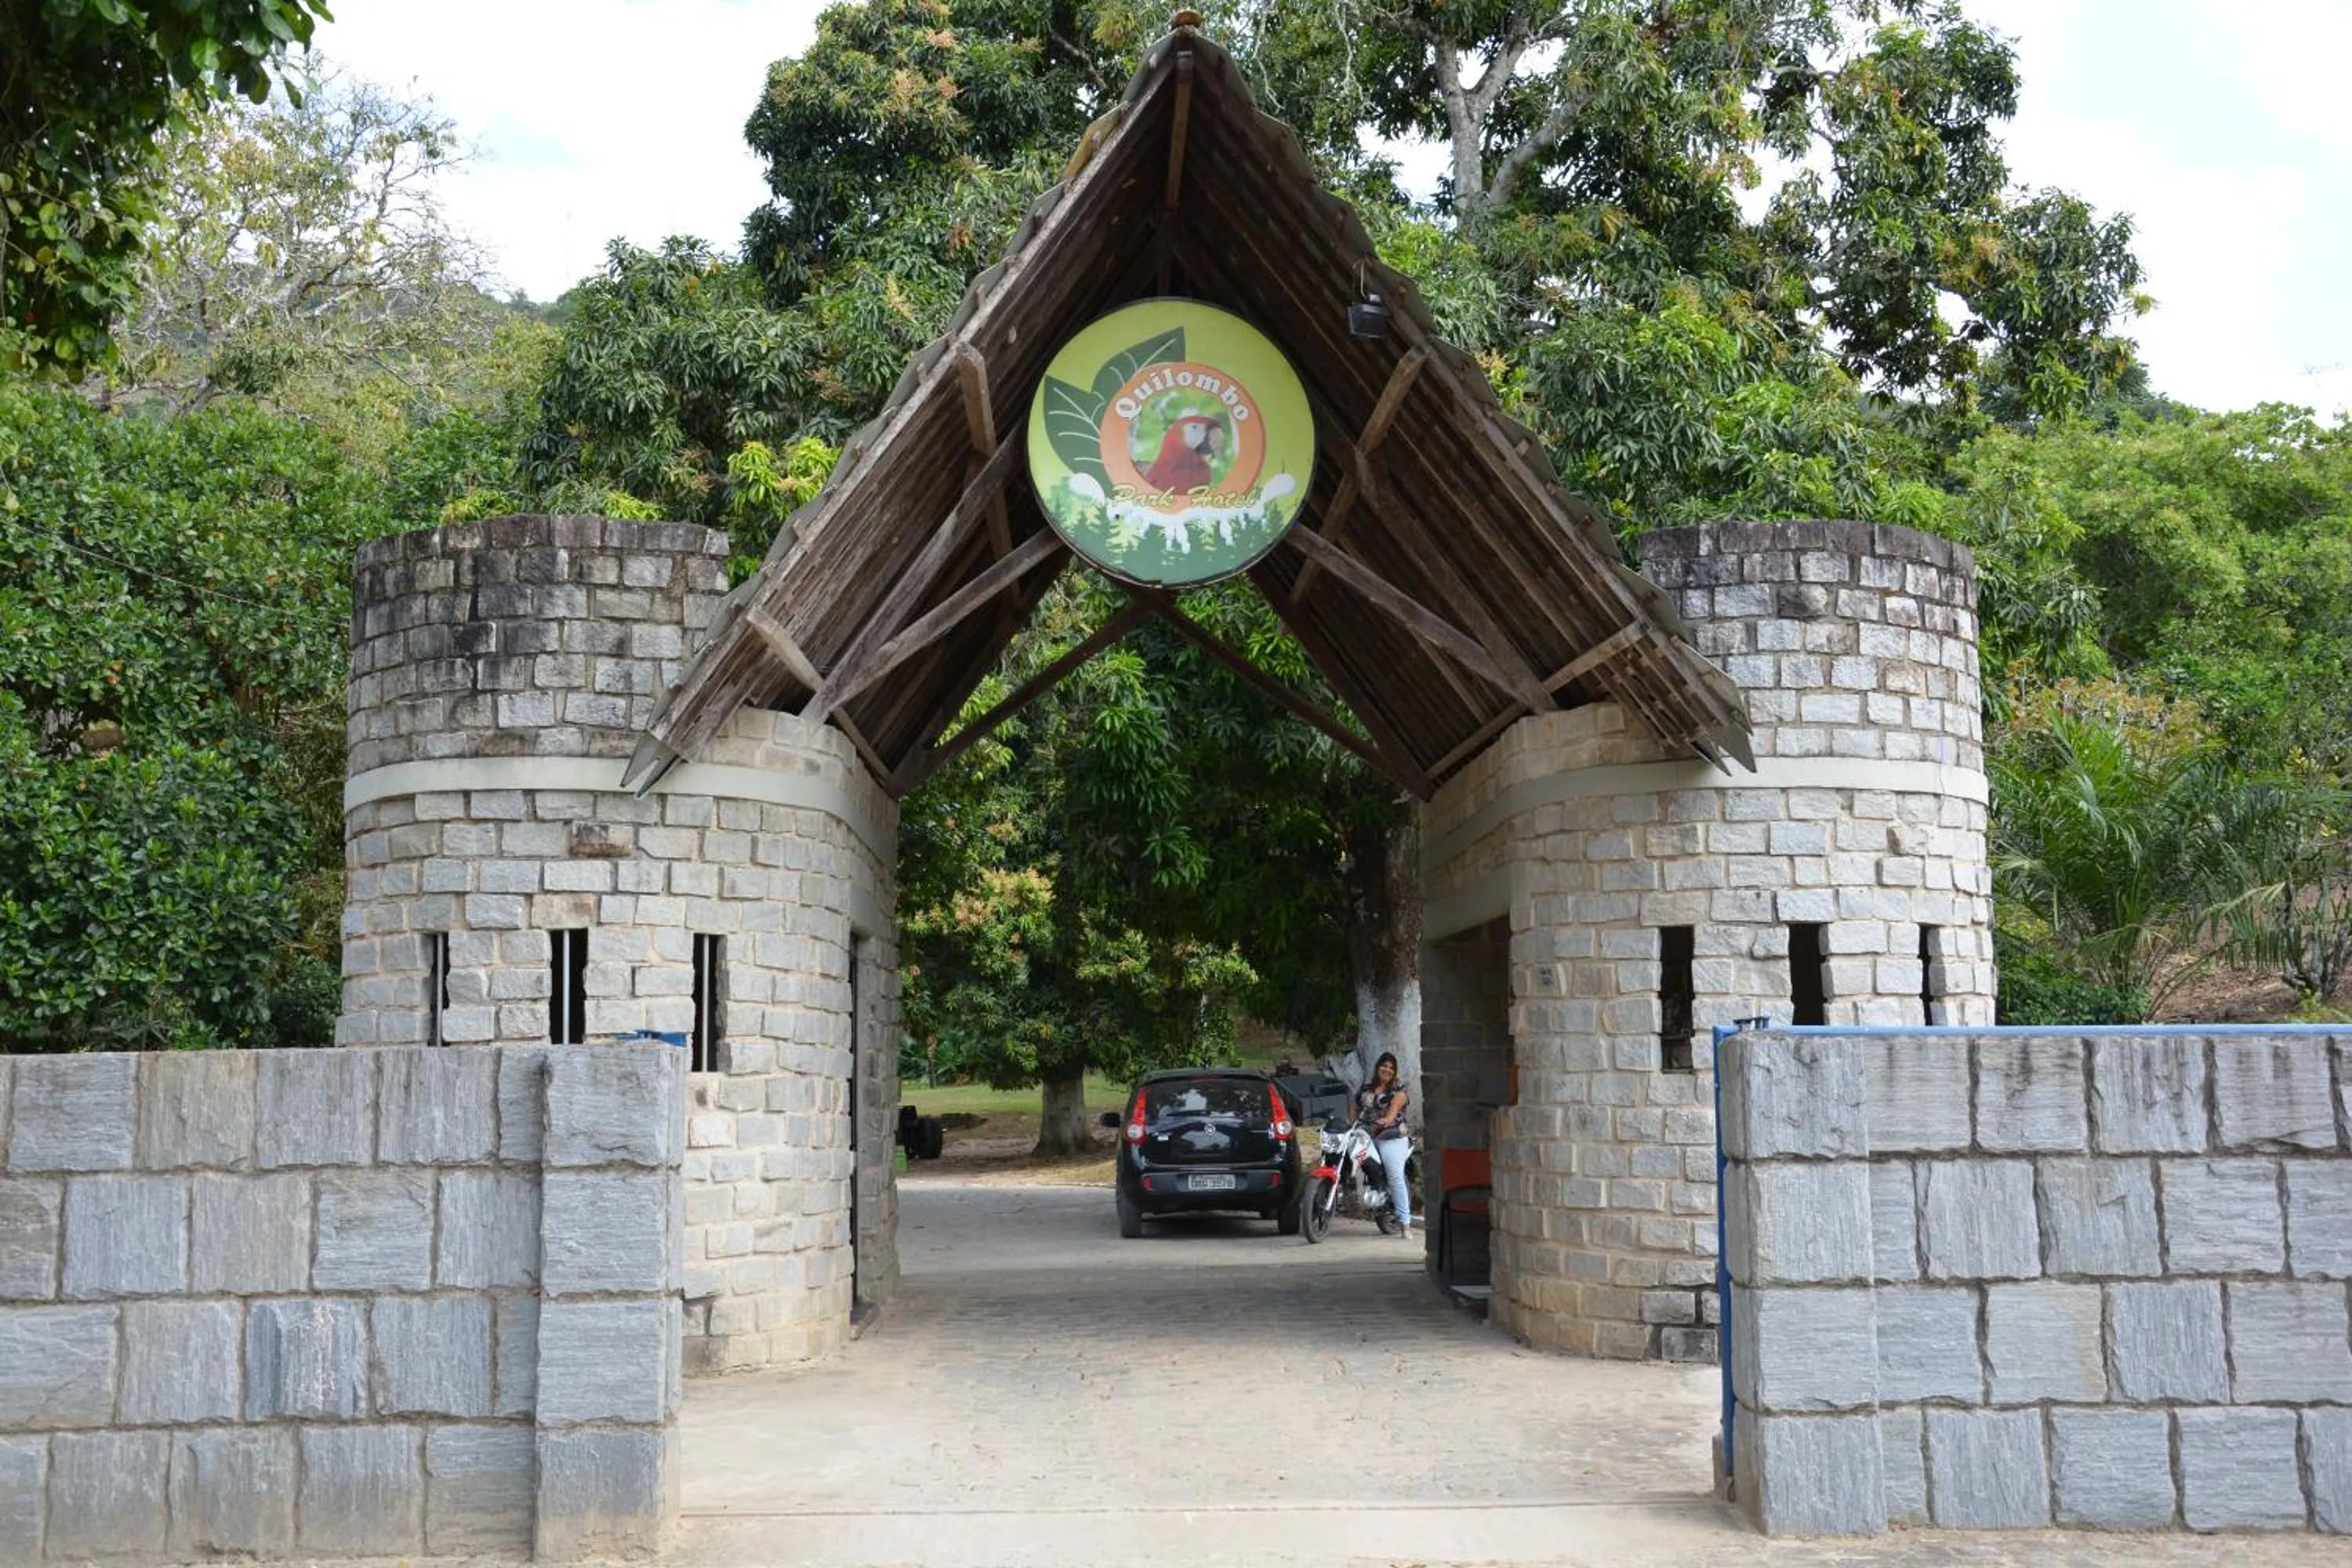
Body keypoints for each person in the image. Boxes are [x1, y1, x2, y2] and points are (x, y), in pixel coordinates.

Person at [1352, 1051, 1414, 1239]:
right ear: (1378, 1067)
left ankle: (1405, 1224)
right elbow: (1355, 1108)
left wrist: (1386, 1120)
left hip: (1392, 1136)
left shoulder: (1398, 1089)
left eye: (1391, 1068)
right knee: (1350, 1153)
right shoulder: (1366, 1088)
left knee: (1395, 1176)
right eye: (1384, 1066)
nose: (1387, 1070)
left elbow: (1394, 1108)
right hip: (1367, 1134)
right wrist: (1350, 1126)